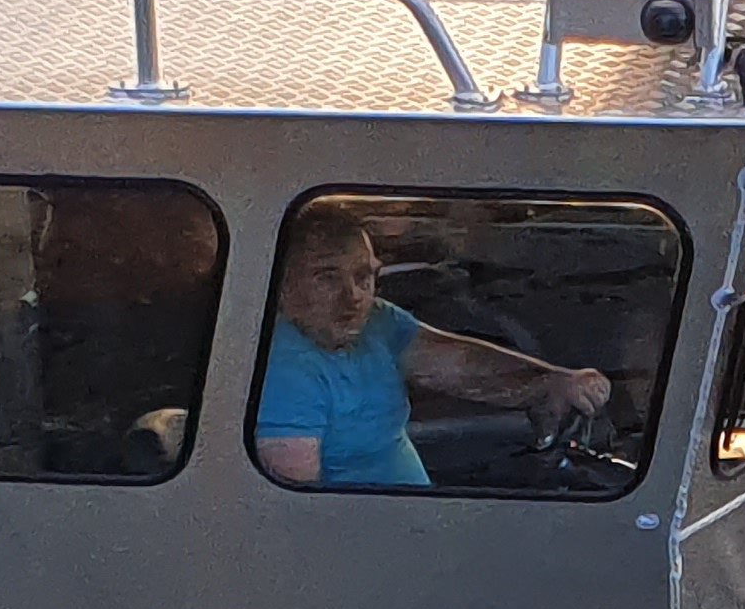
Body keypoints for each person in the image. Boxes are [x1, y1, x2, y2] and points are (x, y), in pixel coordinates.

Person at [255, 208, 612, 489]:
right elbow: (298, 512)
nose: (353, 297)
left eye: (363, 278)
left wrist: (552, 382)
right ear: (284, 282)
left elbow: (460, 366)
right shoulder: (283, 368)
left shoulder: (376, 321)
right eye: (327, 278)